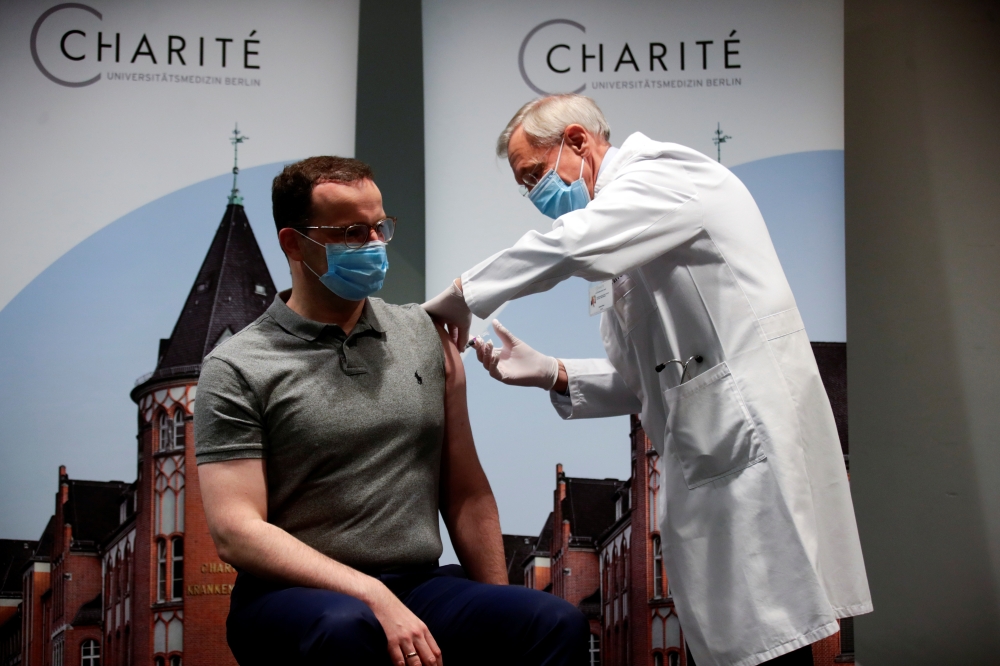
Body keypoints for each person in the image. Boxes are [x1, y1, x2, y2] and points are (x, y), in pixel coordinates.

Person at [423, 95, 872, 666]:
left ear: (579, 141)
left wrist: (465, 294)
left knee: (773, 639)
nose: (534, 194)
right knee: (740, 642)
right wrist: (554, 373)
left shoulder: (664, 175)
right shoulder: (625, 220)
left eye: (535, 174)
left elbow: (572, 245)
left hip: (749, 437)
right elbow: (651, 382)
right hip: (708, 445)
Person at [194, 156, 589, 666]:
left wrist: (500, 614)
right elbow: (236, 531)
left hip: (417, 586)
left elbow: (467, 492)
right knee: (345, 626)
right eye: (352, 232)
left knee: (552, 621)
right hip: (288, 597)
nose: (375, 244)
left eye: (381, 226)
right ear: (293, 243)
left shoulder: (424, 335)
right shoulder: (237, 366)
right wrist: (371, 595)